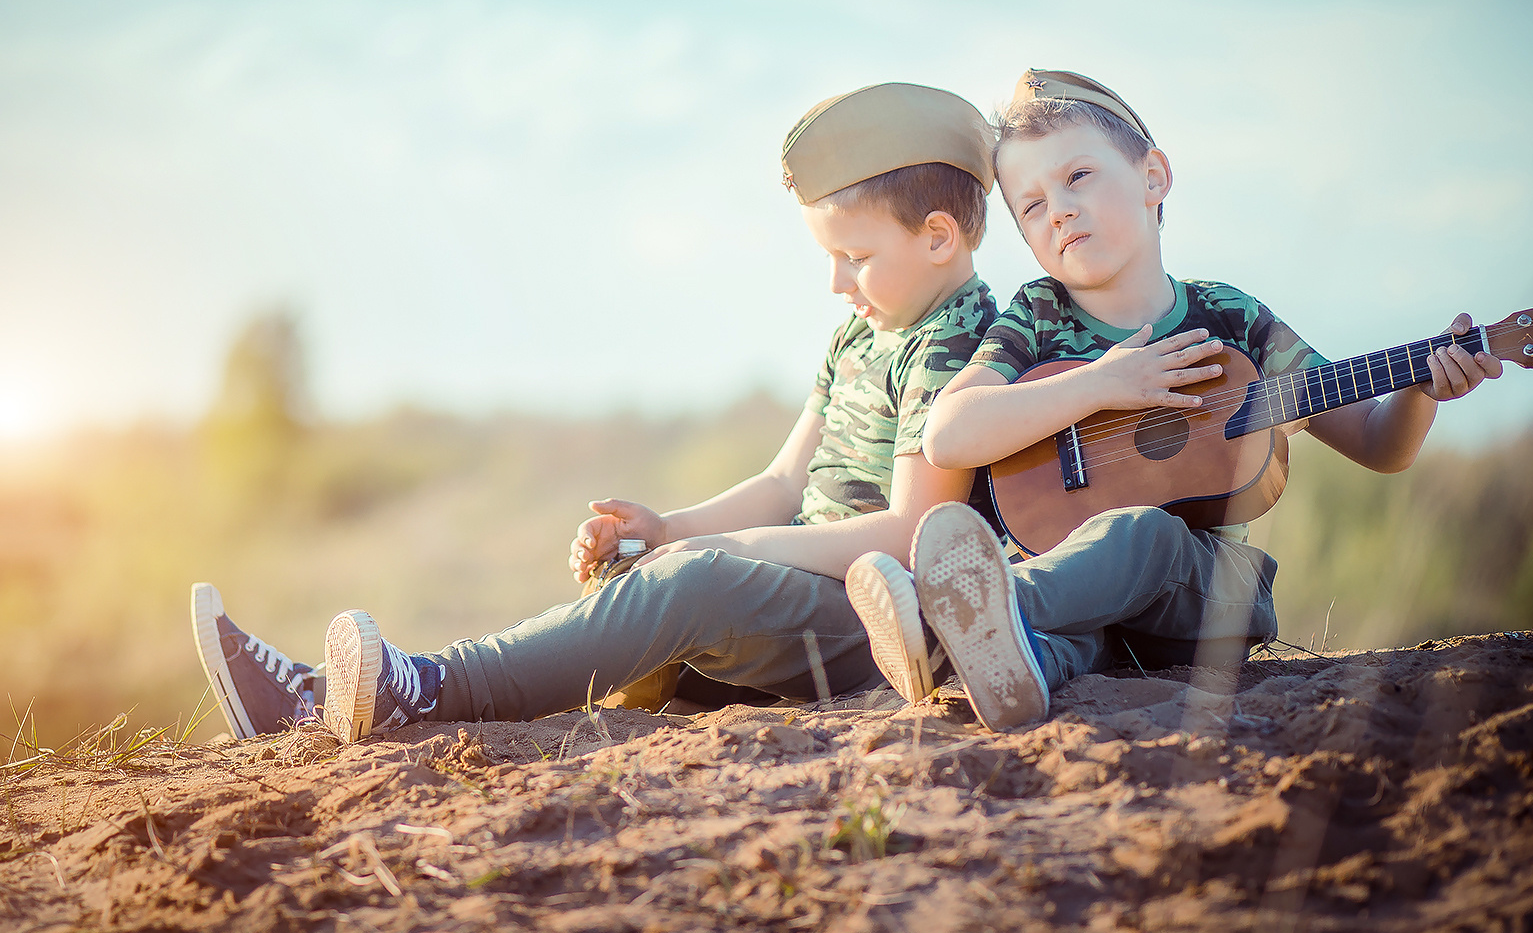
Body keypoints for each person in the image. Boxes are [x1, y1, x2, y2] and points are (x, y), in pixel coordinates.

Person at [191, 82, 1004, 742]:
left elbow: (908, 533)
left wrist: (717, 551)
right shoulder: (857, 337)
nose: (837, 283)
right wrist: (670, 527)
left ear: (939, 238)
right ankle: (313, 702)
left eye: (855, 258)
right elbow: (785, 479)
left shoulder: (960, 344)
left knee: (696, 585)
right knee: (652, 571)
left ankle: (426, 685)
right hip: (801, 593)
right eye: (830, 258)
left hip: (873, 622)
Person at [842, 68, 1503, 731]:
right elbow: (949, 433)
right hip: (1078, 598)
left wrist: (1422, 388)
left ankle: (954, 620)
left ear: (1153, 176)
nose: (1061, 209)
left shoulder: (1229, 319)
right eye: (1032, 206)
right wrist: (1103, 383)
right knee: (1076, 636)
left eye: (1077, 177)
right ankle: (1021, 663)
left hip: (1205, 597)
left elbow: (1378, 442)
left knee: (1143, 531)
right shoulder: (1037, 316)